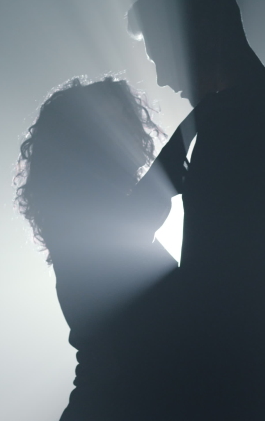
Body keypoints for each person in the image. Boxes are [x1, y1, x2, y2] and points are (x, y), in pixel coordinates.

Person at [127, 0, 265, 420]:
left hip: (235, 390)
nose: (161, 78)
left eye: (162, 55)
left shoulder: (242, 127)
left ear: (202, 33)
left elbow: (216, 287)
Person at [15, 76, 192, 420]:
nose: (126, 138)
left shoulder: (90, 222)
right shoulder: (79, 225)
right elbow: (133, 219)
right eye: (110, 127)